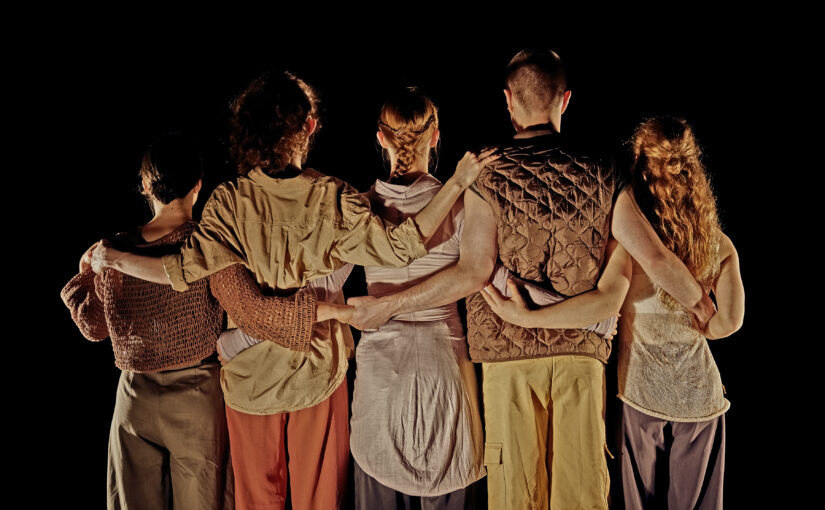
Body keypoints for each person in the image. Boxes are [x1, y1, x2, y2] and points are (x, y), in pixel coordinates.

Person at [90, 71, 497, 510]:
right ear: (309, 127)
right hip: (317, 377)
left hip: (250, 381)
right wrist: (455, 183)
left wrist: (112, 258)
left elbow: (181, 269)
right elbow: (401, 247)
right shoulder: (333, 197)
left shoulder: (227, 202)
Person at [346, 50, 715, 510]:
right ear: (564, 100)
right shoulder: (603, 170)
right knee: (580, 496)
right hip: (580, 358)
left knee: (516, 496)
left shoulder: (488, 175)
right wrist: (700, 302)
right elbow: (655, 257)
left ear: (508, 101)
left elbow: (474, 271)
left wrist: (385, 305)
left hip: (507, 359)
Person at [481, 116, 744, 509]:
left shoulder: (627, 242)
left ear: (638, 168)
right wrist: (699, 314)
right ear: (693, 171)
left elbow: (605, 302)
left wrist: (528, 316)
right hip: (700, 400)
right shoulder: (719, 246)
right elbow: (728, 324)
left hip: (641, 395)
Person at [61, 133, 234, 510]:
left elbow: (93, 329)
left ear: (145, 187)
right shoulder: (206, 246)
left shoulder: (115, 248)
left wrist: (83, 274)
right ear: (198, 185)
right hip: (198, 397)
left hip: (135, 398)